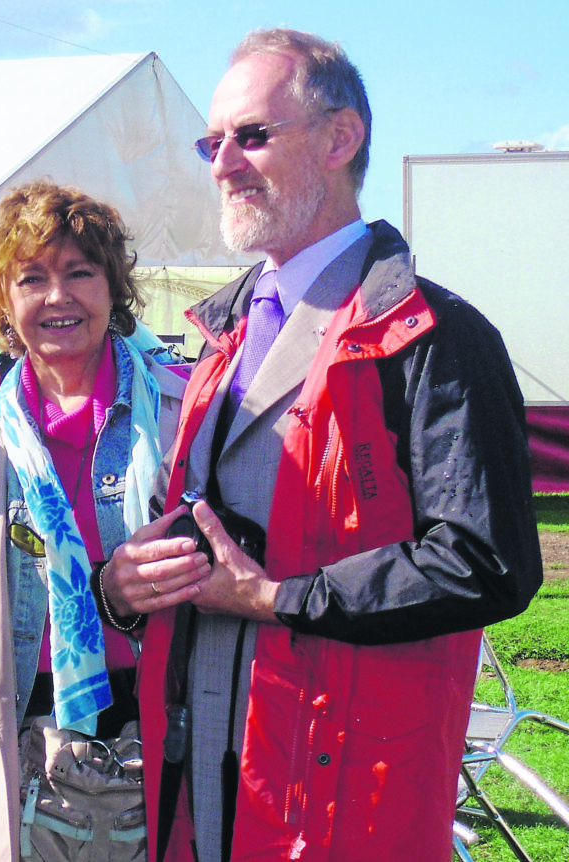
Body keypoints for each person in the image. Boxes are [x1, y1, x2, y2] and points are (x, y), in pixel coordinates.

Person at [103, 27, 544, 862]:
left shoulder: (437, 337)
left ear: (342, 139)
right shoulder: (220, 336)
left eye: (252, 135)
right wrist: (124, 584)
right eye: (213, 140)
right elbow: (202, 545)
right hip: (198, 795)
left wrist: (277, 599)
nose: (222, 161)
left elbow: (487, 561)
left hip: (342, 811)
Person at [0, 182, 190, 861]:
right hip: (20, 766)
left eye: (79, 273)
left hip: (165, 756)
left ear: (113, 288)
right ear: (3, 302)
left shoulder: (182, 418)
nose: (58, 296)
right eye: (32, 278)